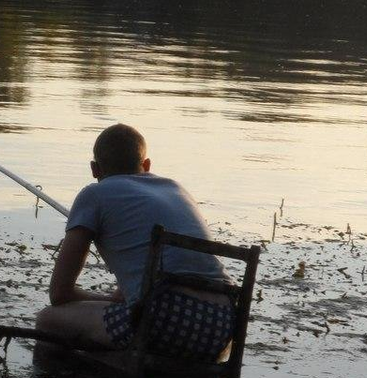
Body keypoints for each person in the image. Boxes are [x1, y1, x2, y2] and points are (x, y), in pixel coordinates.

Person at [36, 123, 233, 357]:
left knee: (49, 319)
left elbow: (60, 293)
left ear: (94, 169)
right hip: (223, 326)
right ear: (147, 165)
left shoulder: (94, 195)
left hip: (160, 324)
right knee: (132, 313)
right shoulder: (176, 189)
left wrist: (108, 299)